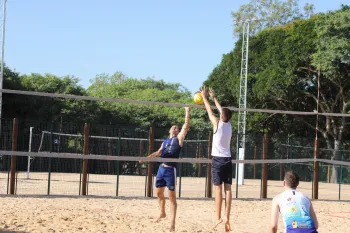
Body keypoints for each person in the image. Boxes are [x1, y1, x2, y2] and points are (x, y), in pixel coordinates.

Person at [140, 107, 190, 232]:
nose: (175, 128)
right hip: (161, 169)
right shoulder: (165, 141)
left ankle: (172, 224)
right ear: (169, 130)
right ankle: (162, 213)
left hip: (170, 170)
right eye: (173, 127)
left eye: (176, 127)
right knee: (158, 193)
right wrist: (146, 158)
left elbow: (186, 125)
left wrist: (187, 111)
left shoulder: (179, 139)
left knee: (172, 197)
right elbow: (158, 152)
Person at [200, 86, 233, 232]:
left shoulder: (217, 124)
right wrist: (214, 98)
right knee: (228, 190)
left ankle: (218, 217)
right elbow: (222, 112)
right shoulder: (229, 125)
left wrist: (205, 97)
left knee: (218, 189)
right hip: (228, 159)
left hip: (218, 160)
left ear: (221, 117)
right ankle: (227, 217)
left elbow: (209, 111)